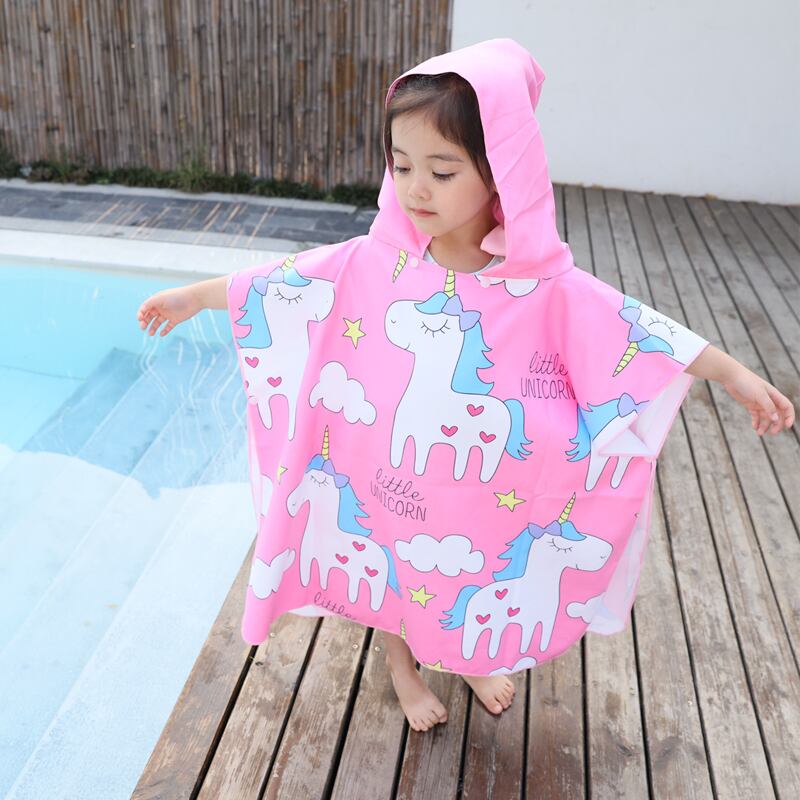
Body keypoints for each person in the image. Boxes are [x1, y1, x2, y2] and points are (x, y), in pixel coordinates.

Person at [136, 38, 795, 733]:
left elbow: (638, 331)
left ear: (499, 171)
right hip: (382, 467)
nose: (416, 188)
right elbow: (286, 283)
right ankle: (401, 664)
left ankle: (466, 653)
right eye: (402, 165)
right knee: (390, 562)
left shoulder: (541, 285)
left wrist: (733, 372)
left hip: (476, 489)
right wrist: (197, 297)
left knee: (466, 568)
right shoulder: (374, 261)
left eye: (442, 171)